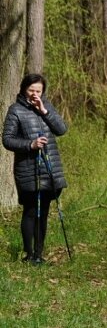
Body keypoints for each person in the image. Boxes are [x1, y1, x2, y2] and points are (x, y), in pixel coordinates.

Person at [2, 73, 68, 264]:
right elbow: (7, 139)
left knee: (44, 212)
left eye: (38, 91)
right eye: (31, 90)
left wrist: (44, 111)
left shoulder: (46, 107)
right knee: (31, 211)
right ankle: (29, 253)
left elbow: (62, 129)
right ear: (24, 89)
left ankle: (39, 254)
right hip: (28, 169)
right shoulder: (15, 110)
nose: (34, 94)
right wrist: (30, 144)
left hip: (50, 168)